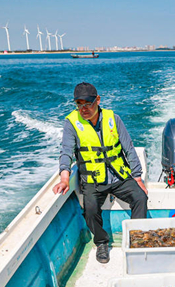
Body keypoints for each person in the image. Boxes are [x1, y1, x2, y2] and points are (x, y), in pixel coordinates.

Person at [53, 82, 148, 264]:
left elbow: (129, 148)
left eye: (88, 104)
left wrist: (137, 177)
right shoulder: (71, 123)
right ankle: (101, 242)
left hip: (119, 176)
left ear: (97, 100)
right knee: (90, 209)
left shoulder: (113, 119)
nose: (84, 109)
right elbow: (66, 152)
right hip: (93, 179)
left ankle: (136, 239)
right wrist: (64, 178)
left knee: (140, 197)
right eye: (79, 104)